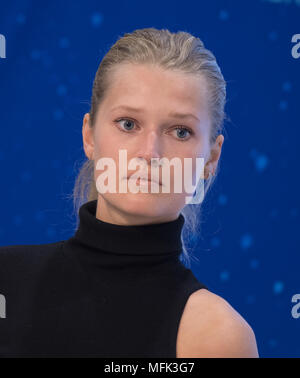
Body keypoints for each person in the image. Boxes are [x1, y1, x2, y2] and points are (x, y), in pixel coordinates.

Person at [0, 28, 258, 358]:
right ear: (89, 136)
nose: (150, 152)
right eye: (128, 124)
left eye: (180, 131)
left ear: (211, 158)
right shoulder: (6, 281)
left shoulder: (218, 337)